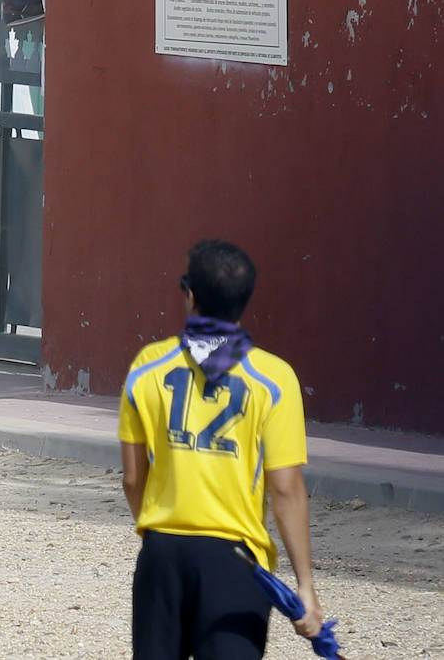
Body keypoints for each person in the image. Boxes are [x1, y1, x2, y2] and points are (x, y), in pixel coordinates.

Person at [120, 239, 326, 659]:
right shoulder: (273, 378)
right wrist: (305, 585)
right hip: (236, 562)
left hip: (163, 555)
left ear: (190, 295)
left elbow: (132, 478)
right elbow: (285, 489)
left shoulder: (147, 366)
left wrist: (160, 526)